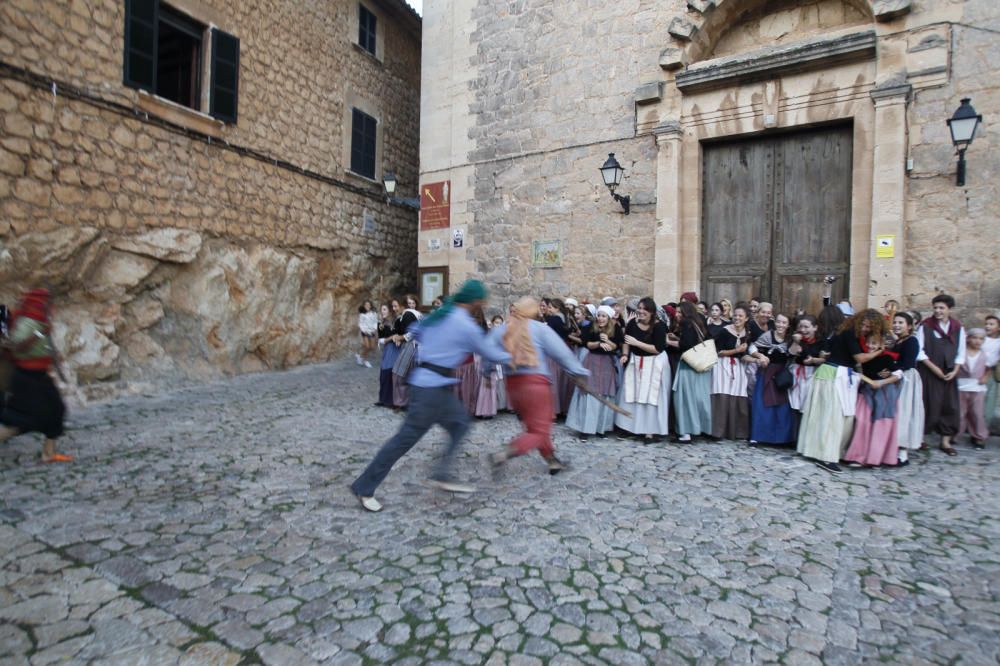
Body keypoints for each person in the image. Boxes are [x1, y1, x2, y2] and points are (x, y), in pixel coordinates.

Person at [350, 280, 511, 512]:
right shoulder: (463, 324)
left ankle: (442, 473)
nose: (481, 305)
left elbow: (415, 332)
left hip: (430, 384)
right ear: (474, 301)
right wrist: (516, 357)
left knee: (460, 424)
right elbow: (488, 351)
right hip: (431, 390)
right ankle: (364, 486)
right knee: (404, 440)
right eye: (481, 301)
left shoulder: (438, 316)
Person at [489, 297, 588, 475]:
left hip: (513, 385)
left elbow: (486, 350)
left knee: (535, 426)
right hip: (535, 383)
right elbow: (562, 354)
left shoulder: (501, 330)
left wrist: (486, 372)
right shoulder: (540, 329)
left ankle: (552, 461)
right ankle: (504, 454)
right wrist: (579, 373)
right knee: (540, 430)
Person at [798, 310, 887, 473]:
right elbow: (859, 358)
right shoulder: (849, 332)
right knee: (833, 418)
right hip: (833, 375)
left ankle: (826, 452)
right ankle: (826, 456)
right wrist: (879, 351)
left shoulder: (847, 332)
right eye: (864, 324)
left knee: (839, 418)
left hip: (839, 376)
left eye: (869, 327)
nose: (865, 328)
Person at [0, 288, 73, 463]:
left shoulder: (38, 321)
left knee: (56, 410)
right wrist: (40, 333)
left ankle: (48, 454)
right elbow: (16, 347)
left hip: (38, 376)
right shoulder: (28, 323)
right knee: (22, 422)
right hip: (26, 378)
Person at [843, 318, 904, 468]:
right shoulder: (863, 357)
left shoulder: (887, 358)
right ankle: (857, 456)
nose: (870, 346)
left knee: (880, 425)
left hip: (883, 394)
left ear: (881, 345)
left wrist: (882, 382)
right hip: (866, 393)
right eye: (869, 343)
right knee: (862, 422)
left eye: (874, 344)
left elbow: (899, 374)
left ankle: (876, 457)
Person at [917, 294, 966, 456]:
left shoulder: (958, 327)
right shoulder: (926, 326)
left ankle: (945, 441)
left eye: (941, 308)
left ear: (949, 309)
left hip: (950, 373)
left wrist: (955, 370)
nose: (938, 311)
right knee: (928, 403)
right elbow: (920, 352)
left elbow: (961, 352)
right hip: (929, 372)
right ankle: (920, 438)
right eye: (935, 308)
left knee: (950, 406)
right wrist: (935, 369)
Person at [616, 297, 671, 439]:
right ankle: (631, 427)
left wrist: (637, 343)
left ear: (652, 312)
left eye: (644, 309)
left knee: (651, 397)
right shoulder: (632, 324)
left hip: (654, 363)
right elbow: (626, 341)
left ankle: (650, 431)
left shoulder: (659, 326)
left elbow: (658, 348)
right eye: (639, 308)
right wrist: (625, 354)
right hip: (636, 361)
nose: (640, 311)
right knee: (632, 394)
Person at [566, 305, 622, 436]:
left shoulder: (615, 329)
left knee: (604, 394)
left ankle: (600, 427)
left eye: (603, 316)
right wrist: (598, 343)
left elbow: (616, 346)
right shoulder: (590, 327)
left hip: (607, 363)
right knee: (589, 394)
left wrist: (607, 341)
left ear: (608, 317)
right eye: (599, 315)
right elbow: (587, 344)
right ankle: (585, 428)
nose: (600, 318)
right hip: (592, 360)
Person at [749, 313, 797, 446]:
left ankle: (782, 438)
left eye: (784, 323)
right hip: (766, 373)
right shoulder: (767, 335)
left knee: (783, 407)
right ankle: (757, 436)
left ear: (788, 325)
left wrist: (797, 341)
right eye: (779, 322)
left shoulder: (790, 339)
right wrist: (760, 356)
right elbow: (752, 347)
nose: (781, 325)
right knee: (762, 405)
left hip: (782, 375)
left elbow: (794, 354)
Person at [711, 305, 753, 440]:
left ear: (746, 318)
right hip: (722, 365)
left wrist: (755, 360)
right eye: (735, 315)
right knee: (722, 395)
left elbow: (744, 353)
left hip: (739, 367)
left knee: (738, 395)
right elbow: (718, 351)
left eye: (740, 316)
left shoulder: (747, 333)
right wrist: (736, 351)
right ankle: (717, 431)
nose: (737, 318)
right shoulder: (724, 331)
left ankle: (736, 431)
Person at [673, 301, 713, 443]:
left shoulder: (686, 324)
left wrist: (670, 341)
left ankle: (686, 432)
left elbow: (686, 345)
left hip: (689, 365)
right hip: (700, 366)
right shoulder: (699, 322)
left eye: (679, 312)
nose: (676, 315)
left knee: (684, 399)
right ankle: (700, 427)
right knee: (699, 399)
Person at [892, 313, 924, 463]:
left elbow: (908, 363)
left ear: (909, 326)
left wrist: (893, 371)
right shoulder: (898, 341)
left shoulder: (911, 341)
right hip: (897, 377)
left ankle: (902, 452)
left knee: (904, 412)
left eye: (901, 322)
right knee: (897, 413)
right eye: (895, 322)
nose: (896, 325)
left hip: (906, 379)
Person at [957, 328, 990, 449]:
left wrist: (986, 376)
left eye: (981, 339)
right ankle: (955, 434)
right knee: (960, 413)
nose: (977, 341)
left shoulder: (985, 354)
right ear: (968, 338)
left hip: (977, 386)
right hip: (961, 385)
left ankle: (979, 436)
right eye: (975, 338)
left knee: (977, 413)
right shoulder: (962, 352)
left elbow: (989, 367)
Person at [787, 315, 824, 415]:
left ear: (815, 327)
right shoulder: (797, 339)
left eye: (806, 327)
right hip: (798, 375)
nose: (803, 330)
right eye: (801, 327)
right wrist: (796, 342)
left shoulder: (820, 342)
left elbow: (824, 359)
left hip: (813, 375)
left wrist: (814, 360)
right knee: (795, 405)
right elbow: (790, 353)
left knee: (810, 404)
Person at [391, 294, 422, 408]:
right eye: (409, 303)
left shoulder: (408, 313)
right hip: (418, 347)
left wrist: (400, 338)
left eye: (413, 303)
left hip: (411, 346)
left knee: (398, 373)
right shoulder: (417, 314)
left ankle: (401, 402)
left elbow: (412, 333)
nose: (411, 305)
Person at [375, 302, 397, 407]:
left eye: (384, 309)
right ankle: (383, 399)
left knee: (391, 373)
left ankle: (391, 400)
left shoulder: (394, 322)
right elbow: (381, 339)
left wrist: (391, 338)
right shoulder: (381, 324)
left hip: (396, 349)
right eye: (381, 309)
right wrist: (389, 339)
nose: (382, 312)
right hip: (388, 349)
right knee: (384, 372)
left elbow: (397, 335)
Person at [983, 314, 1000, 436]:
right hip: (976, 372)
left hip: (991, 373)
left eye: (991, 324)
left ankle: (983, 432)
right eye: (986, 324)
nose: (987, 326)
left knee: (989, 404)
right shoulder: (980, 338)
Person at [356, 300, 378, 368]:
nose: (367, 306)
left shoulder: (374, 313)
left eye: (368, 305)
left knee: (372, 347)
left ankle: (360, 356)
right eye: (366, 305)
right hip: (365, 331)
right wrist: (363, 330)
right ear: (364, 306)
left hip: (371, 331)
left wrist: (374, 329)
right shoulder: (362, 314)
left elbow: (375, 322)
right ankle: (365, 360)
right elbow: (360, 323)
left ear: (370, 306)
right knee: (367, 346)